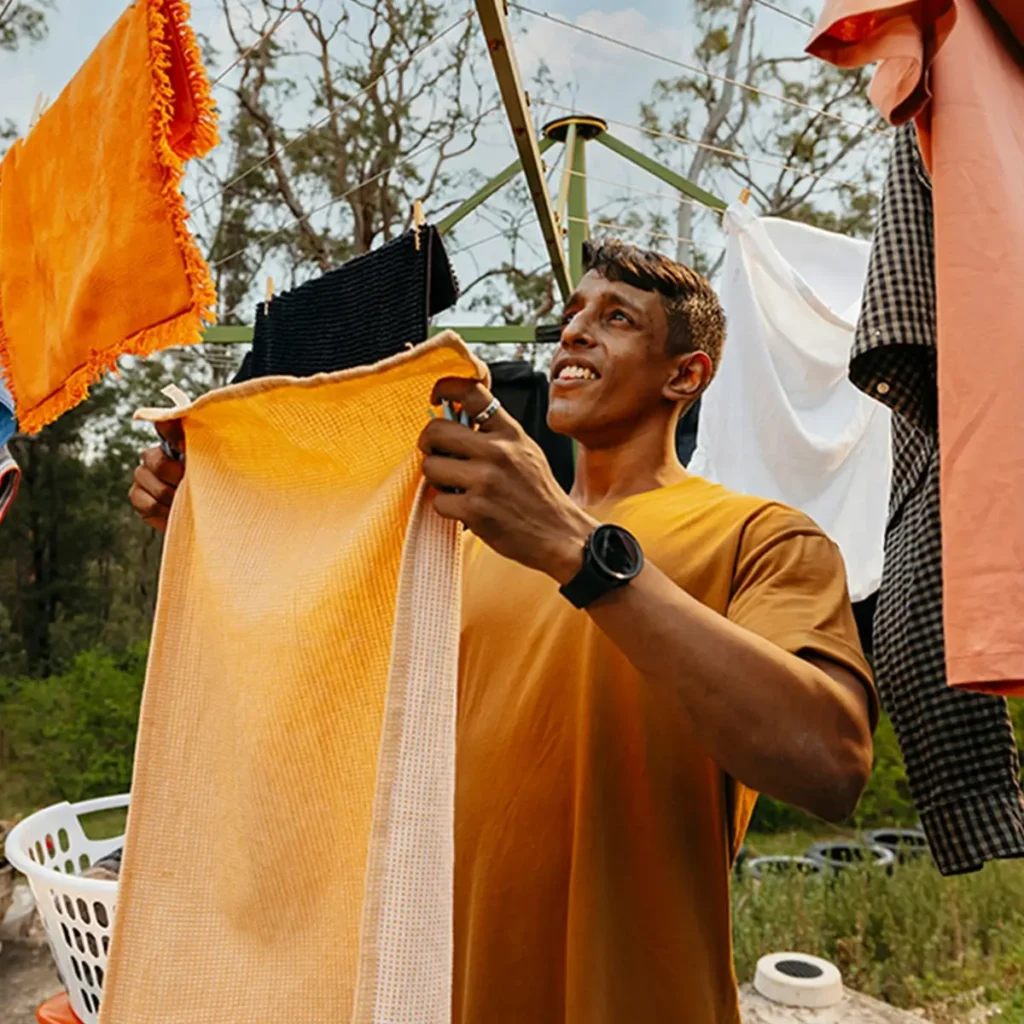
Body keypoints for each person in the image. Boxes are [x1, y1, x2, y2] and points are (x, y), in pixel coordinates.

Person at [129, 239, 876, 1024]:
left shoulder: (764, 538)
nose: (574, 335)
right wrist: (216, 519)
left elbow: (829, 764)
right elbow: (323, 682)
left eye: (616, 318)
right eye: (571, 317)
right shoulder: (470, 545)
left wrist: (575, 552)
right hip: (441, 996)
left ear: (685, 375)